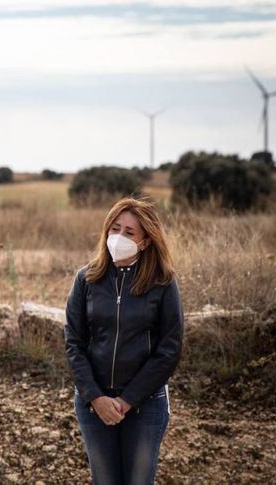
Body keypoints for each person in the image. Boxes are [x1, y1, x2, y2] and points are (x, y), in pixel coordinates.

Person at [64, 197, 183, 485]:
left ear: (145, 242)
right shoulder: (86, 279)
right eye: (114, 229)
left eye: (129, 233)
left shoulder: (163, 282)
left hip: (146, 405)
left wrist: (127, 401)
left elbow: (169, 349)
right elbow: (74, 343)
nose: (119, 238)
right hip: (94, 403)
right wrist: (95, 397)